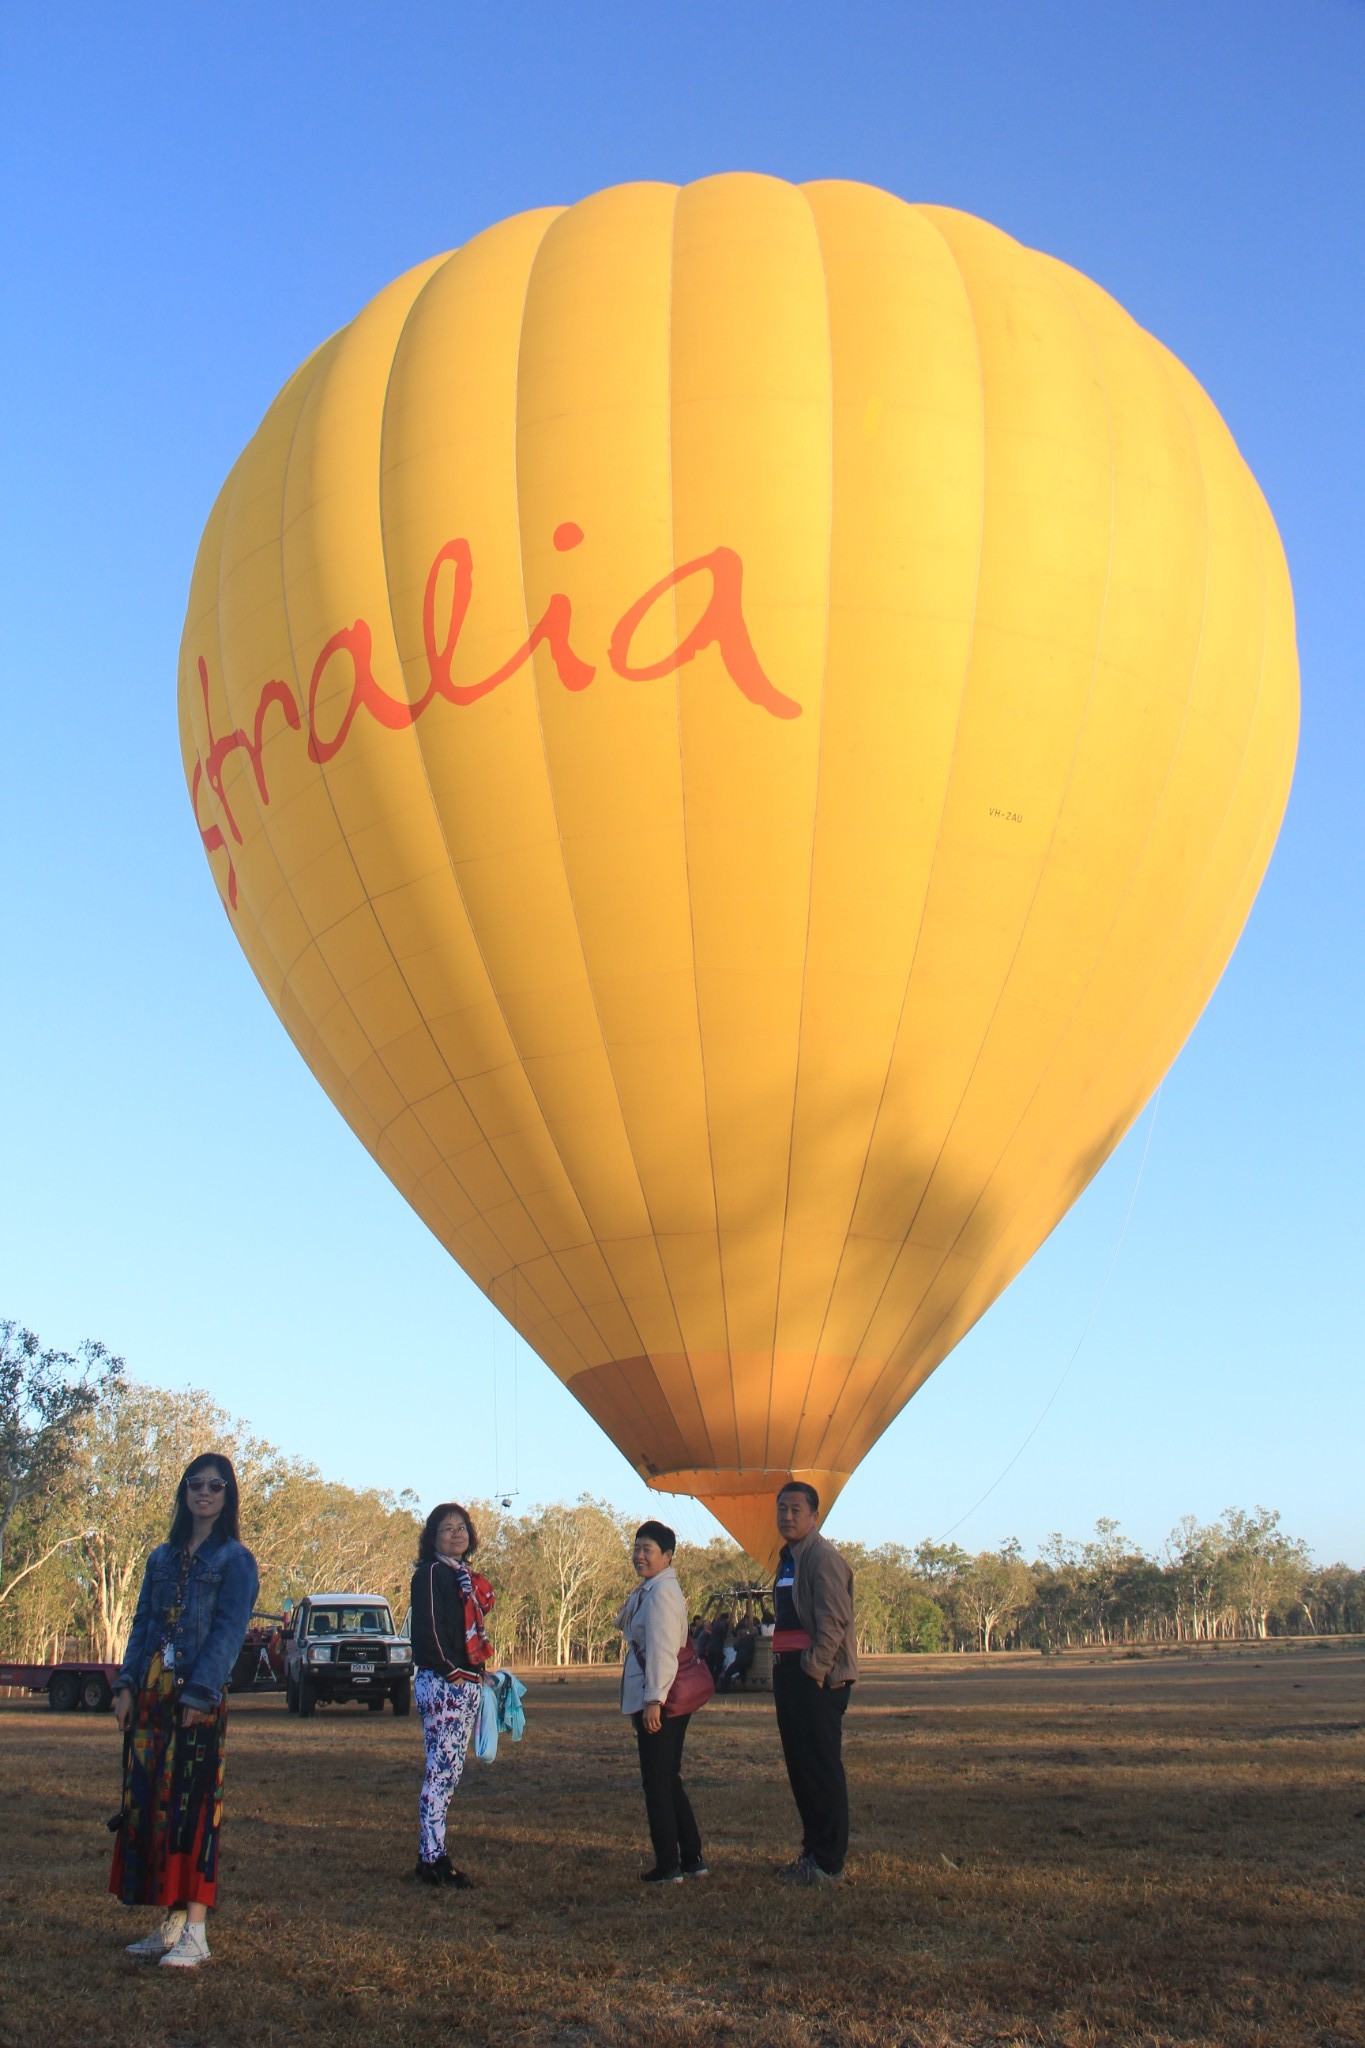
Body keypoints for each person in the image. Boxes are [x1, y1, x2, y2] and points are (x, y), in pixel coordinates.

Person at [110, 1452, 259, 1967]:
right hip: (151, 1698)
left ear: (227, 1495)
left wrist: (201, 1694)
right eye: (195, 1484)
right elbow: (142, 1623)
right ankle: (170, 1924)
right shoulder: (160, 1558)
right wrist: (126, 1685)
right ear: (184, 1492)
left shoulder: (235, 1561)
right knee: (154, 1809)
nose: (204, 1492)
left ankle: (197, 1931)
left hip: (197, 1700)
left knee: (194, 1813)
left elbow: (228, 1633)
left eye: (215, 1486)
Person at [770, 1480, 857, 1886]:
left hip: (815, 1678)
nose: (787, 1516)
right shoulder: (787, 1559)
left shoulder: (823, 1558)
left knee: (821, 1767)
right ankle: (812, 1852)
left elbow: (834, 1621)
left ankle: (829, 1861)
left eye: (796, 1510)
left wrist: (815, 1669)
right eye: (782, 1509)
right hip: (789, 1673)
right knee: (800, 1767)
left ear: (815, 1516)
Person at [409, 1501, 494, 1888]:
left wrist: (478, 1673)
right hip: (445, 1682)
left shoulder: (465, 1578)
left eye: (461, 1527)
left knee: (449, 1769)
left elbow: (467, 1635)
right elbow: (429, 1633)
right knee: (441, 1770)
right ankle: (433, 1857)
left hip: (463, 1680)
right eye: (447, 1528)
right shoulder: (430, 1575)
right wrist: (455, 1673)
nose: (456, 1534)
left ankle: (432, 1852)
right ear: (432, 1537)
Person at [617, 1520, 707, 1884]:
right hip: (661, 1696)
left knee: (656, 1781)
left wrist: (653, 1700)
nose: (639, 1555)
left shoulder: (662, 1594)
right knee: (668, 1778)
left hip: (661, 1699)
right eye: (637, 1548)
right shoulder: (652, 1590)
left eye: (648, 1550)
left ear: (667, 1556)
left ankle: (668, 1864)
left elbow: (662, 1651)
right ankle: (692, 1858)